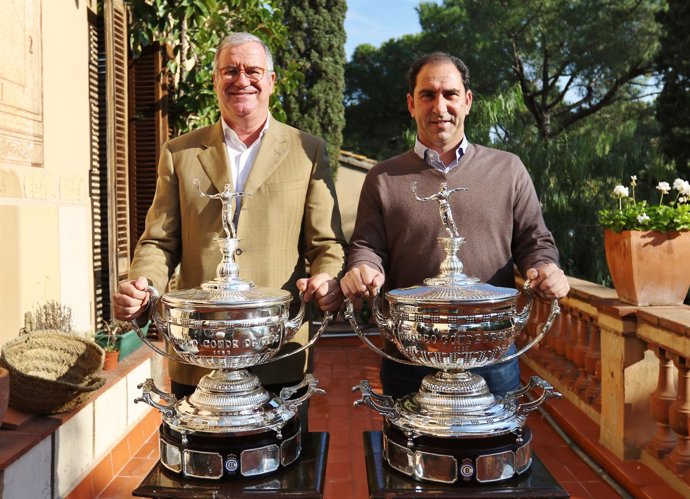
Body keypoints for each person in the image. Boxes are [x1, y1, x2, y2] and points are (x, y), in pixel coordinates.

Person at [113, 32, 346, 400]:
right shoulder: (180, 152)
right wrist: (144, 286)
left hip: (279, 348)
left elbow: (326, 243)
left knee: (284, 457)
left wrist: (327, 278)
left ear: (270, 80)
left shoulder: (308, 151)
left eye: (253, 70)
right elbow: (159, 241)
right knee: (199, 456)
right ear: (215, 80)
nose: (241, 80)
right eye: (229, 71)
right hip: (199, 352)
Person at [340, 52, 570, 400]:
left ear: (467, 101)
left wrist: (545, 267)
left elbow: (533, 239)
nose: (439, 106)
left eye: (449, 94)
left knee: (494, 451)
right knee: (408, 451)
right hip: (409, 353)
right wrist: (363, 268)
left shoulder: (508, 169)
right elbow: (367, 245)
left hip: (491, 348)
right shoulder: (383, 178)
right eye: (427, 95)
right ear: (411, 104)